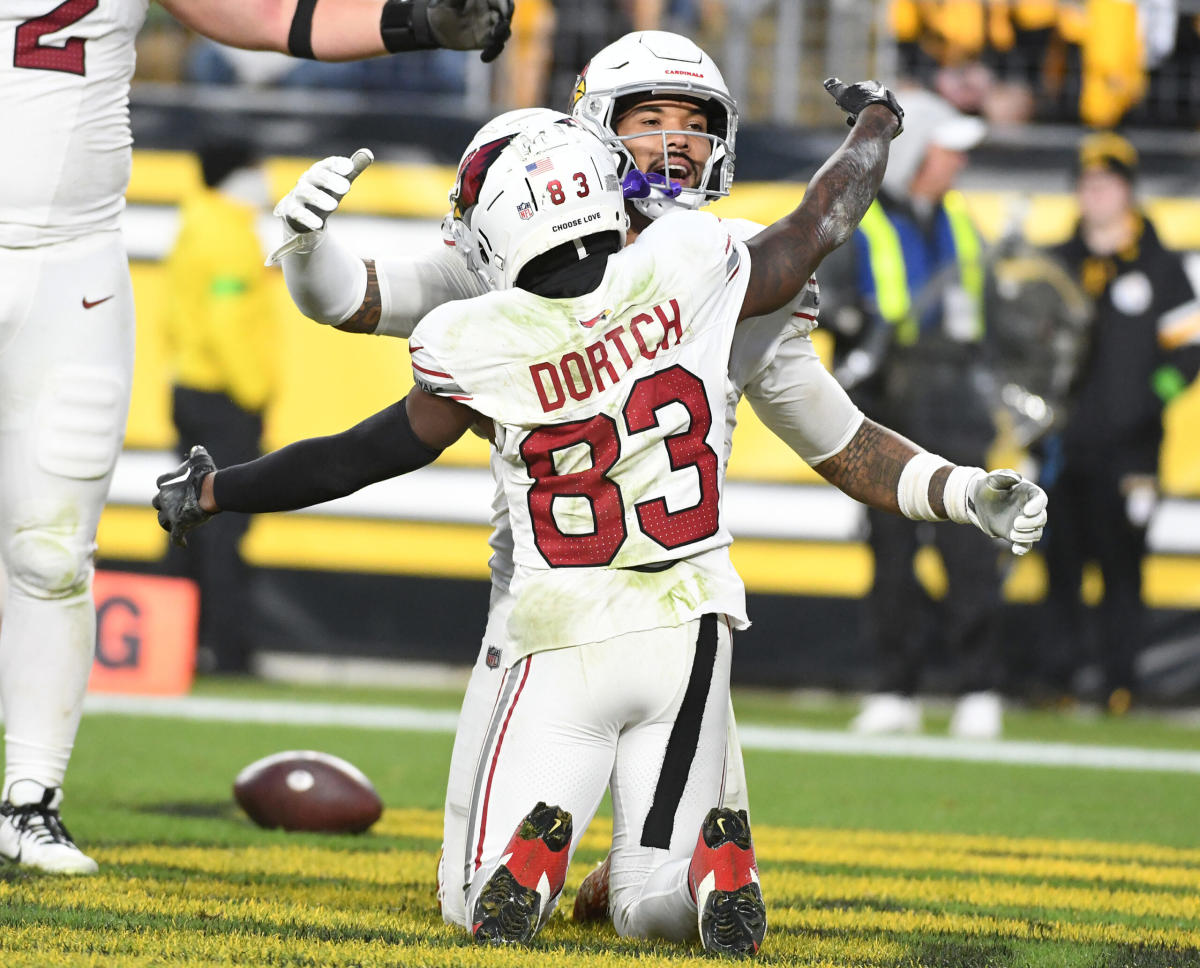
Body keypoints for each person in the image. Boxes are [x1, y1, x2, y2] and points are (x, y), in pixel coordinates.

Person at [157, 96, 1043, 955]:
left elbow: (355, 457)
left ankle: (531, 867)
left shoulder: (484, 337)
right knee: (645, 894)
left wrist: (216, 492)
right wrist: (876, 127)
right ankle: (699, 880)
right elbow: (819, 223)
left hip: (562, 630)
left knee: (471, 900)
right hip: (692, 621)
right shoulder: (695, 261)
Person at [0, 0, 514, 876]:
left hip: (69, 261)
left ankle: (28, 801)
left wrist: (417, 22)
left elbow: (268, 12)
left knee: (51, 550)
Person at [819, 87, 1009, 739]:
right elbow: (833, 308)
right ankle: (895, 686)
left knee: (970, 550)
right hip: (887, 408)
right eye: (944, 150)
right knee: (892, 553)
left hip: (957, 404)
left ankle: (977, 685)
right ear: (915, 155)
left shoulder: (963, 224)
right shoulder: (862, 221)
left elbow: (992, 323)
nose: (955, 163)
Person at [1036, 132, 1200, 712]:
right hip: (1064, 445)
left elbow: (1188, 349)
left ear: (1127, 191)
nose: (1094, 196)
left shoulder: (1160, 265)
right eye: (1086, 185)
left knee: (1122, 566)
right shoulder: (1058, 263)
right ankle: (1057, 680)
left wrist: (1151, 397)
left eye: (1105, 185)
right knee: (1059, 566)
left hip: (1131, 450)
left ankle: (1119, 684)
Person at [163, 137, 280, 675]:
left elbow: (180, 317)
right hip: (223, 400)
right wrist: (254, 392)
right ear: (236, 175)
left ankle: (173, 647)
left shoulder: (193, 225)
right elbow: (228, 324)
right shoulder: (229, 235)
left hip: (190, 390)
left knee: (186, 525)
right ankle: (230, 654)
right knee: (224, 528)